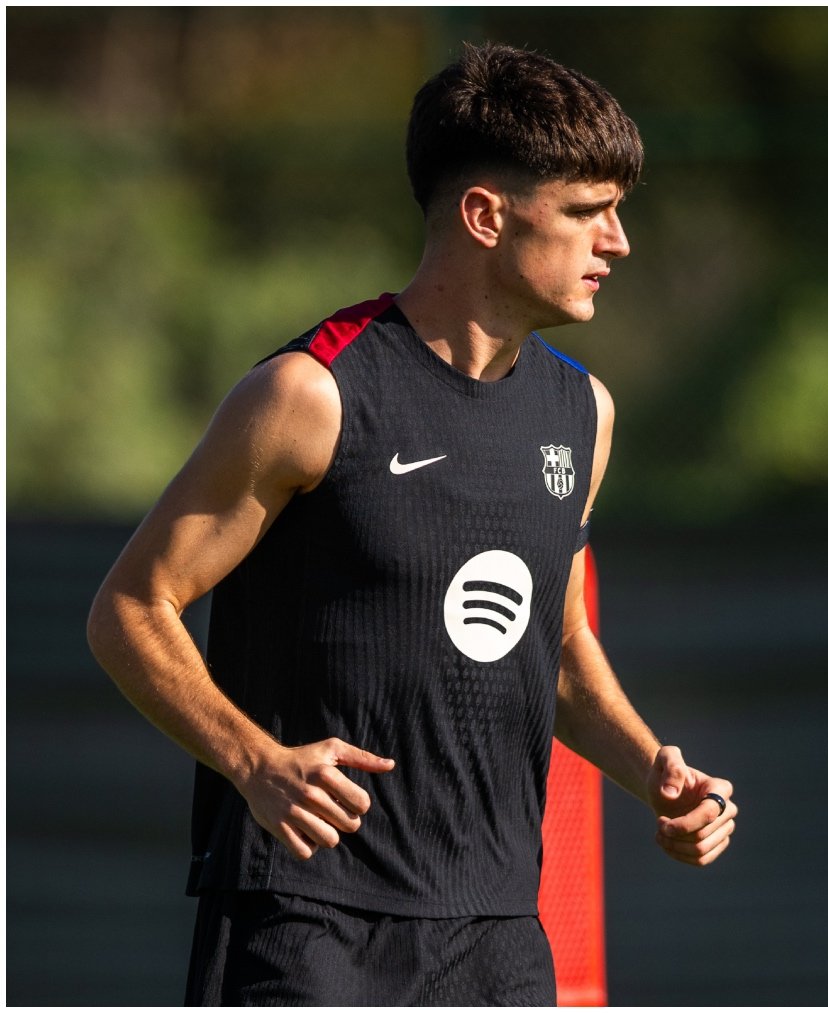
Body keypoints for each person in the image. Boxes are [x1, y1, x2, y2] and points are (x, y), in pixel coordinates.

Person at [86, 42, 739, 1004]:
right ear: (485, 215)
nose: (619, 244)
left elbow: (554, 646)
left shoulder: (583, 413)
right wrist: (254, 762)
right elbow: (131, 607)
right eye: (587, 214)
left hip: (500, 931)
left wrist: (655, 775)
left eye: (618, 212)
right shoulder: (311, 394)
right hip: (309, 923)